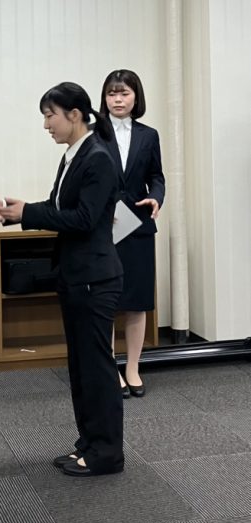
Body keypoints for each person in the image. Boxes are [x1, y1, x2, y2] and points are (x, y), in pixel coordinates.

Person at [0, 82, 124, 477]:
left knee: (96, 369)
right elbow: (59, 206)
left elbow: (84, 219)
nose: (46, 124)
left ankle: (107, 453)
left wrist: (29, 214)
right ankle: (90, 443)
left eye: (50, 116)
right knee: (80, 367)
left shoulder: (98, 157)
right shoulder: (73, 155)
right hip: (75, 275)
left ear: (75, 115)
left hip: (95, 278)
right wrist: (19, 212)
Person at [99, 69, 165, 398]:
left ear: (135, 96)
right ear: (104, 98)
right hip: (105, 227)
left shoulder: (149, 135)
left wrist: (157, 197)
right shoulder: (93, 134)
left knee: (137, 302)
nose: (118, 99)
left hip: (138, 225)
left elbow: (157, 176)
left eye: (124, 93)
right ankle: (110, 369)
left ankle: (133, 368)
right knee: (108, 302)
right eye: (112, 93)